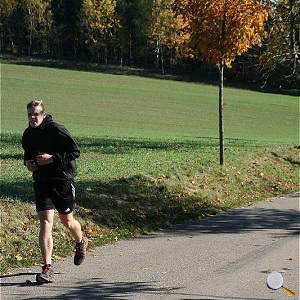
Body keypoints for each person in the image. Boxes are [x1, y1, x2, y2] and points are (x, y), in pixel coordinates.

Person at [22, 100, 88, 283]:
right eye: (29, 114)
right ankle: (47, 268)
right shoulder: (27, 134)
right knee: (45, 222)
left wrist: (52, 159)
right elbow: (27, 156)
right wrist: (28, 164)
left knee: (67, 220)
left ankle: (81, 240)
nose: (32, 118)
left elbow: (75, 151)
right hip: (42, 182)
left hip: (62, 181)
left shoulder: (57, 129)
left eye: (35, 114)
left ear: (43, 114)